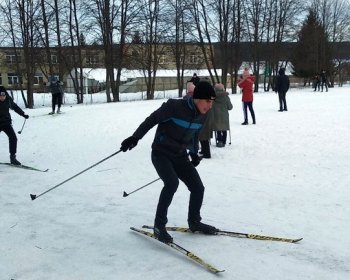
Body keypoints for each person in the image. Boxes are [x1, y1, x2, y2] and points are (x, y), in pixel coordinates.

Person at [120, 80, 218, 243]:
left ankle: (194, 222)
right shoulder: (174, 106)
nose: (210, 106)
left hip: (180, 156)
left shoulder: (203, 114)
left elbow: (195, 134)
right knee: (172, 183)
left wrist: (193, 153)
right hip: (161, 153)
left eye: (212, 102)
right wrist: (135, 137)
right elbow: (151, 120)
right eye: (208, 101)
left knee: (198, 187)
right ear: (197, 97)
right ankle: (159, 226)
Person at [0, 86, 29, 165]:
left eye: (3, 96)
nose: (2, 97)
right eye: (0, 96)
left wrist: (23, 114)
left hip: (6, 123)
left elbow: (15, 107)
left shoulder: (8, 100)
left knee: (13, 138)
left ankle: (13, 158)